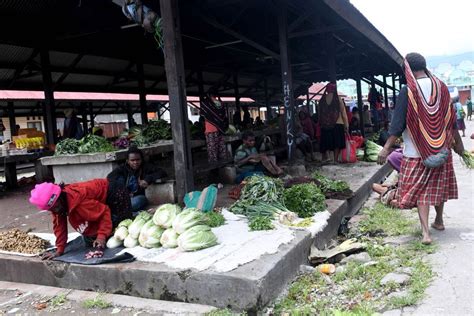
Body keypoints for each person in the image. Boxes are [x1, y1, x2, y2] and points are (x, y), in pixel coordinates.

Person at [378, 52, 465, 245]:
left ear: (407, 69)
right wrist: (458, 145)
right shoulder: (441, 88)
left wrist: (386, 148)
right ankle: (439, 220)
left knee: (422, 192)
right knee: (437, 187)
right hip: (441, 149)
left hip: (415, 152)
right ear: (424, 66)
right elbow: (450, 121)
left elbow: (398, 124)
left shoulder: (408, 91)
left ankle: (426, 233)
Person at [29, 179, 133, 260]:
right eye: (52, 210)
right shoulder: (57, 205)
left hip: (115, 193)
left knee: (119, 230)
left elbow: (104, 211)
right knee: (91, 239)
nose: (56, 211)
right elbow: (59, 225)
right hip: (97, 204)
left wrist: (101, 236)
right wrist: (59, 249)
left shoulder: (79, 200)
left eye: (56, 207)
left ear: (60, 197)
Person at [107, 146, 167, 214]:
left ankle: (123, 211)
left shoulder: (145, 167)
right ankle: (125, 210)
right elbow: (110, 177)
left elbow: (162, 172)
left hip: (136, 198)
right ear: (128, 161)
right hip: (124, 198)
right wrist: (123, 189)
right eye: (132, 160)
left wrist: (147, 179)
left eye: (138, 160)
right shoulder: (122, 169)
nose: (135, 162)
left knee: (140, 200)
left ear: (141, 159)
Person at [318, 82, 349, 163]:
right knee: (337, 143)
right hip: (338, 123)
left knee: (327, 142)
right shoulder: (337, 99)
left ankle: (327, 157)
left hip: (325, 125)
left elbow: (319, 113)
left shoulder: (322, 99)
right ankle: (335, 160)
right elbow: (343, 113)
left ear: (327, 90)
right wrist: (346, 125)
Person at [200, 94, 228, 163]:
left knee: (213, 151)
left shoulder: (206, 103)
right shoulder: (218, 103)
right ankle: (220, 168)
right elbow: (223, 115)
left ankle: (216, 169)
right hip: (219, 130)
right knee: (220, 150)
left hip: (211, 131)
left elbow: (203, 115)